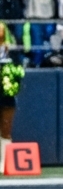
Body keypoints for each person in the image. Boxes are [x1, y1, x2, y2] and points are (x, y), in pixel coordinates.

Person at [0, 31, 22, 160]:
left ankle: (4, 162)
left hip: (6, 95)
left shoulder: (11, 51)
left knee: (6, 130)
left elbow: (19, 71)